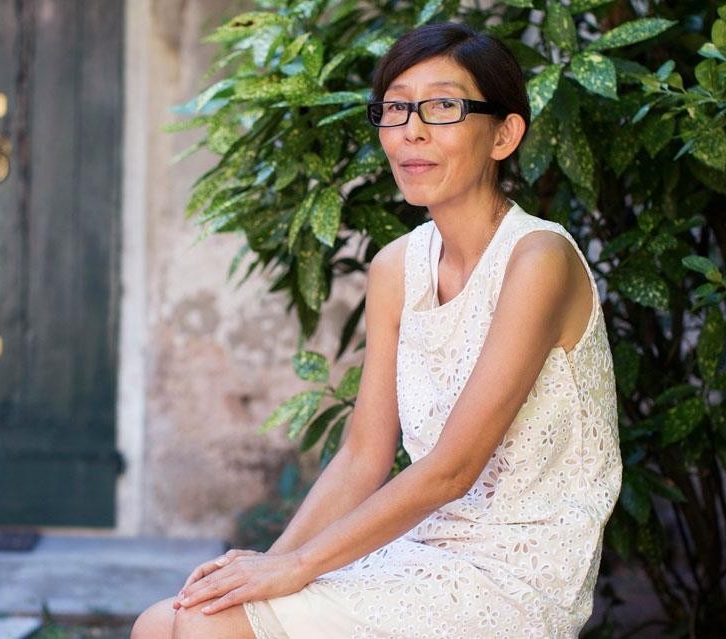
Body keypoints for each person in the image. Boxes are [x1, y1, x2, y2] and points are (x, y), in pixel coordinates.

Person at [131, 21, 622, 639]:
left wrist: (296, 568)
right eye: (395, 108)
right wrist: (270, 564)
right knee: (165, 622)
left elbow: (453, 468)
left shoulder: (539, 260)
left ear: (504, 134)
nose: (411, 129)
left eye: (443, 106)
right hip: (420, 551)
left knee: (208, 630)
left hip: (515, 577)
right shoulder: (395, 267)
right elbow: (364, 455)